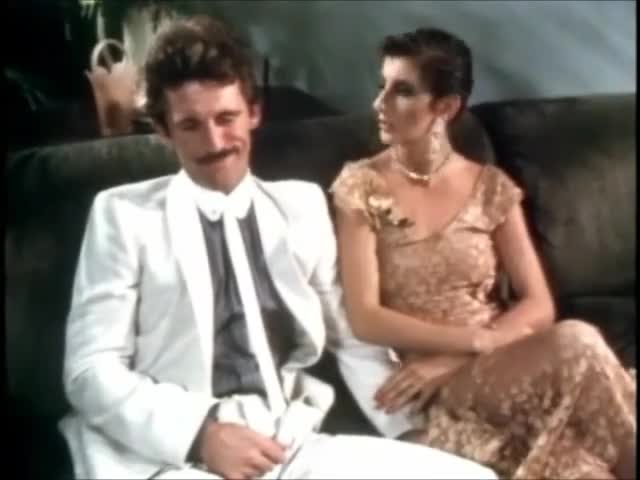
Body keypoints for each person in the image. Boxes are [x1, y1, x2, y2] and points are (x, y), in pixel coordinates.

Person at [58, 16, 497, 480]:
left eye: (226, 118)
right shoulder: (123, 215)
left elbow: (352, 340)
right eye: (190, 125)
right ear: (164, 132)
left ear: (253, 113)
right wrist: (201, 434)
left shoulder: (301, 207)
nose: (214, 143)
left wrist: (407, 430)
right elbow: (89, 370)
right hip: (164, 454)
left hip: (284, 440)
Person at [330, 27, 636, 480]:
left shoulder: (491, 187)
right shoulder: (362, 186)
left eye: (402, 91)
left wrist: (470, 350)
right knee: (578, 340)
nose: (380, 104)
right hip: (436, 387)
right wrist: (470, 345)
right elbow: (365, 317)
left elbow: (538, 303)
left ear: (446, 107)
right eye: (383, 87)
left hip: (498, 362)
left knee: (581, 466)